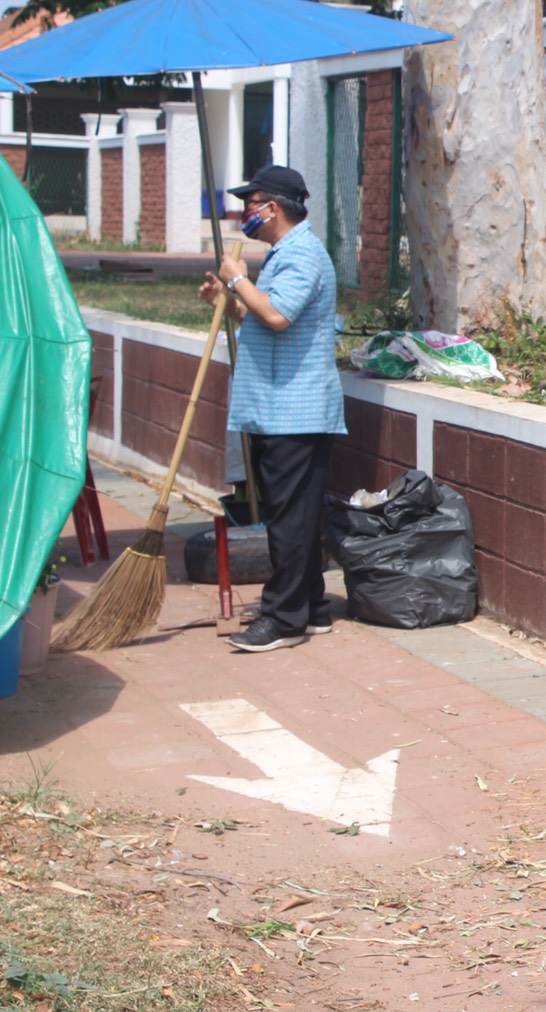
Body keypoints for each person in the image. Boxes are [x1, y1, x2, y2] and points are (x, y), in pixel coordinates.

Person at [198, 165, 344, 653]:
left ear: (274, 208)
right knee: (294, 513)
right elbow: (262, 314)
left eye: (251, 205)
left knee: (289, 518)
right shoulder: (285, 253)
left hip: (295, 409)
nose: (246, 213)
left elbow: (278, 316)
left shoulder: (303, 254)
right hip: (277, 405)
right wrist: (227, 300)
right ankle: (311, 607)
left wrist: (239, 280)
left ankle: (283, 618)